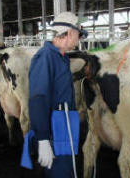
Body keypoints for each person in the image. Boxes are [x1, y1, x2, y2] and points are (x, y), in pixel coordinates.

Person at [28, 11, 88, 178]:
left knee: (67, 168)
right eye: (79, 34)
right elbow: (38, 99)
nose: (79, 39)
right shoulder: (45, 57)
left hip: (66, 122)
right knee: (59, 171)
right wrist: (43, 139)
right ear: (69, 33)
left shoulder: (61, 57)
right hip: (56, 127)